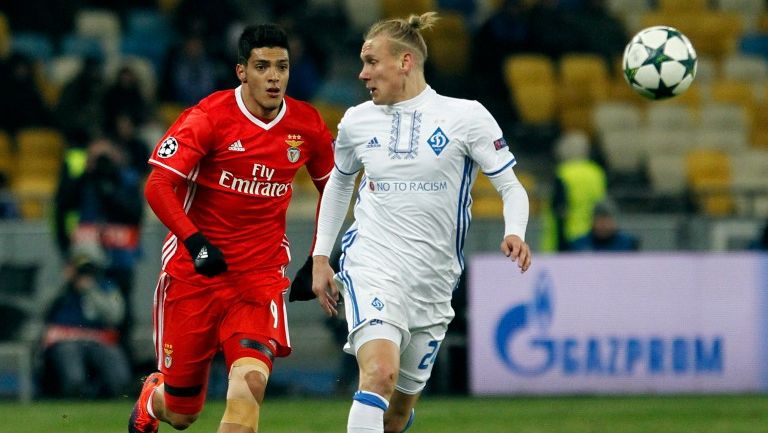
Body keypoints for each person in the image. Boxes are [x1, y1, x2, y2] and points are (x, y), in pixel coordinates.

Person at [309, 12, 532, 433]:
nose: (363, 73)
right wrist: (321, 256)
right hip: (373, 264)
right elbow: (339, 186)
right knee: (378, 375)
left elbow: (511, 187)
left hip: (433, 283)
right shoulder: (356, 121)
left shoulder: (466, 116)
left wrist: (514, 231)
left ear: (405, 62)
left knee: (395, 416)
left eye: (372, 62)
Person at [128, 23, 334, 433]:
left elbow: (335, 188)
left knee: (250, 381)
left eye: (282, 66)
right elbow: (158, 185)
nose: (274, 76)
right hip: (195, 277)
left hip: (258, 279)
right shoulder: (207, 117)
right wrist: (196, 243)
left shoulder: (307, 124)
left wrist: (319, 254)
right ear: (242, 71)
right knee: (183, 412)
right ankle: (153, 398)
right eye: (262, 66)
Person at [40, 253, 131, 398]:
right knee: (74, 374)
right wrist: (64, 282)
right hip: (66, 341)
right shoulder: (60, 288)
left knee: (118, 374)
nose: (83, 275)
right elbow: (41, 308)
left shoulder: (106, 287)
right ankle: (76, 394)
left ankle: (114, 394)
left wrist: (91, 290)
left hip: (97, 339)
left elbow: (115, 316)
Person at [541, 130, 607, 252]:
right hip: (592, 234)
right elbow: (601, 202)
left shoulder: (563, 173)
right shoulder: (597, 172)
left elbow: (559, 208)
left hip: (567, 234)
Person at [569, 199, 640, 251]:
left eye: (607, 220)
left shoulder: (629, 244)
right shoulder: (579, 245)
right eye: (600, 220)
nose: (604, 225)